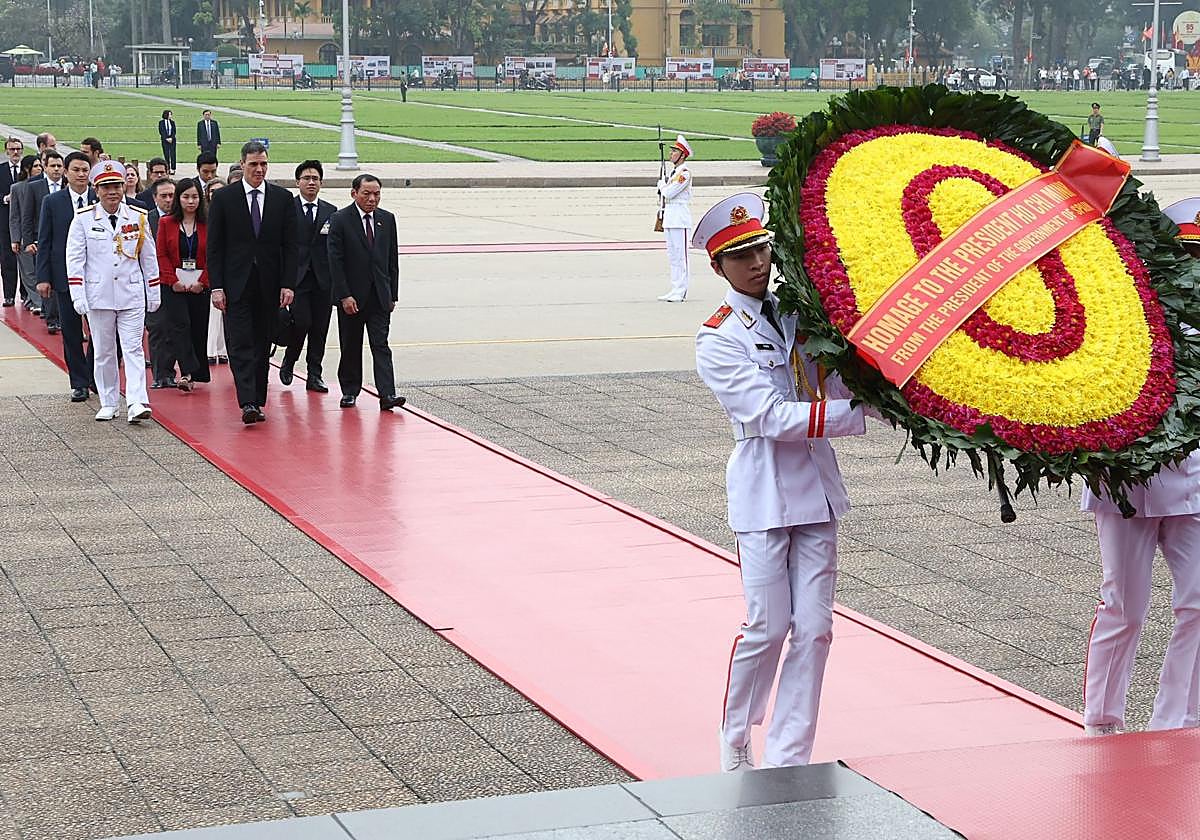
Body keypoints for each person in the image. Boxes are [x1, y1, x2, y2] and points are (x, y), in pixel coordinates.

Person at [694, 193, 866, 772]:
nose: (758, 263)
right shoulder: (718, 337)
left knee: (815, 630)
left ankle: (790, 756)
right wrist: (854, 415)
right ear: (719, 267)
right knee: (767, 627)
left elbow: (832, 382)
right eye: (741, 256)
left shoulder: (798, 314)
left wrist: (891, 398)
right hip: (765, 490)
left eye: (762, 249)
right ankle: (737, 731)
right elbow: (768, 417)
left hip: (815, 491)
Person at [1081, 196, 1200, 737]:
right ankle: (1101, 722)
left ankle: (1178, 721)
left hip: (1195, 481)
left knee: (1198, 603)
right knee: (1123, 607)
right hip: (1127, 484)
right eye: (1188, 255)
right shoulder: (1124, 314)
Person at [206, 140, 297, 424]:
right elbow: (215, 247)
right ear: (242, 164)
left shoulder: (282, 199)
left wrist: (288, 283)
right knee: (241, 341)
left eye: (264, 164)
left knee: (262, 342)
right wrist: (217, 286)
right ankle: (246, 401)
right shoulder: (225, 199)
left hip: (269, 285)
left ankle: (258, 398)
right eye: (254, 164)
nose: (259, 169)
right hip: (236, 284)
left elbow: (291, 245)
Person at [66, 161, 159, 423]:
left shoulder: (137, 217)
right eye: (106, 187)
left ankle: (137, 401)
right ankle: (108, 401)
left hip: (131, 294)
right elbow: (75, 259)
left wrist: (153, 293)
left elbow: (148, 259)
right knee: (105, 351)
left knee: (133, 349)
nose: (112, 192)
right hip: (99, 295)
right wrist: (78, 294)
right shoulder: (83, 219)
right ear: (97, 189)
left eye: (116, 185)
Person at [327, 174, 404, 411]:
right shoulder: (340, 219)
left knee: (380, 344)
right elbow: (335, 262)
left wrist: (392, 294)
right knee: (350, 344)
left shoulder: (387, 219)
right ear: (354, 193)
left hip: (379, 296)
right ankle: (350, 391)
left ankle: (387, 393)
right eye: (367, 194)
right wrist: (344, 295)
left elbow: (392, 260)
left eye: (376, 194)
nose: (372, 199)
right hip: (352, 297)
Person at [37, 151, 96, 401]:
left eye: (85, 170)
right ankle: (79, 381)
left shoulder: (100, 198)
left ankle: (94, 374)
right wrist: (43, 277)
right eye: (76, 170)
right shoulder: (53, 202)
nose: (81, 175)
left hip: (97, 276)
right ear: (66, 172)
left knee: (102, 330)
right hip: (64, 276)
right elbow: (46, 240)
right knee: (71, 330)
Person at [279, 160, 335, 392]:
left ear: (321, 183)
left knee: (320, 328)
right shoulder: (286, 209)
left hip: (323, 280)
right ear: (297, 182)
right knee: (301, 322)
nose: (311, 182)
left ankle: (315, 374)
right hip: (297, 279)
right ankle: (289, 360)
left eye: (315, 179)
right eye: (306, 178)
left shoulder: (331, 211)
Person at [156, 178, 210, 393]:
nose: (190, 201)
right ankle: (186, 372)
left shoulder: (208, 223)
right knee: (179, 326)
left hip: (199, 284)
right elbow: (161, 254)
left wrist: (204, 281)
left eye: (195, 197)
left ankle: (197, 372)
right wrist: (172, 280)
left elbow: (213, 256)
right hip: (174, 285)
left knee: (197, 327)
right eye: (186, 196)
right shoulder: (166, 223)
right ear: (179, 198)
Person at [23, 150, 64, 330]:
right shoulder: (34, 186)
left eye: (59, 166)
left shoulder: (68, 186)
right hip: (41, 241)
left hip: (63, 241)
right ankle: (52, 319)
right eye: (52, 166)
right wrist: (28, 240)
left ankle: (62, 318)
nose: (56, 169)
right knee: (46, 277)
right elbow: (27, 215)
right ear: (45, 167)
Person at [145, 177, 177, 389]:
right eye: (163, 196)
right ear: (155, 197)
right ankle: (159, 374)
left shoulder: (181, 220)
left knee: (174, 328)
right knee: (156, 328)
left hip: (176, 281)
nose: (168, 200)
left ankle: (170, 372)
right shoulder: (145, 220)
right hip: (152, 282)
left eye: (171, 195)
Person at [656, 134, 693, 303]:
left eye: (675, 151)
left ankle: (681, 290)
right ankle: (674, 288)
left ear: (682, 155)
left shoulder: (684, 173)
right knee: (672, 255)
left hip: (680, 217)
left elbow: (670, 192)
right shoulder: (674, 173)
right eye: (671, 151)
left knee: (681, 256)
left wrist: (662, 185)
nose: (671, 154)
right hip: (670, 216)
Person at [8, 154, 43, 314]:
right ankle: (37, 302)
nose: (39, 169)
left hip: (41, 235)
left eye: (40, 166)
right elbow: (14, 216)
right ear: (28, 169)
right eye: (36, 166)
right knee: (28, 272)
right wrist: (15, 238)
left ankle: (38, 301)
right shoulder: (17, 188)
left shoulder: (44, 187)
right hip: (24, 235)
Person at [204, 178, 228, 365]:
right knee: (212, 311)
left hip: (227, 268)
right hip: (207, 267)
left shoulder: (230, 213)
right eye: (212, 191)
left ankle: (222, 349)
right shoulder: (203, 215)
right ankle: (210, 349)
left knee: (224, 314)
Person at [0, 137, 24, 306]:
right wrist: (5, 198)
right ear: (7, 151)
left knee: (26, 259)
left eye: (18, 149)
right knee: (7, 259)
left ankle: (26, 294)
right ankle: (9, 295)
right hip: (4, 221)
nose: (15, 152)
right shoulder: (0, 170)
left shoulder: (27, 169)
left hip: (25, 220)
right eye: (12, 149)